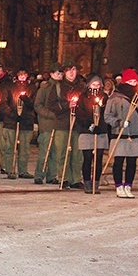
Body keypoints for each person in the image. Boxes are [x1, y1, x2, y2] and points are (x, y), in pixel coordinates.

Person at [104, 68, 138, 198]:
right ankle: (119, 186)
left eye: (134, 81)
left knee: (132, 162)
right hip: (120, 134)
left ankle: (128, 185)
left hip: (135, 135)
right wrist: (119, 122)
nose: (133, 84)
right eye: (130, 81)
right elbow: (107, 116)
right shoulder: (116, 98)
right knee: (119, 161)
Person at [48, 59, 85, 189]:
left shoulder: (82, 87)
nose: (71, 73)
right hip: (62, 123)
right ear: (64, 72)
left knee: (77, 153)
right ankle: (63, 176)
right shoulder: (57, 87)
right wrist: (66, 105)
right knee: (62, 152)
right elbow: (51, 105)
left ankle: (76, 178)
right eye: (68, 70)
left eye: (73, 70)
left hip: (77, 124)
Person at [0, 69, 37, 179]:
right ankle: (9, 169)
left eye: (24, 74)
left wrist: (26, 99)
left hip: (26, 121)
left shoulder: (32, 88)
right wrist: (12, 114)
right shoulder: (9, 87)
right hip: (11, 121)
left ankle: (23, 170)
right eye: (20, 74)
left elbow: (34, 104)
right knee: (9, 146)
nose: (22, 76)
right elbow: (3, 103)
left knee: (24, 148)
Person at [75, 75, 108, 194]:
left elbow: (106, 113)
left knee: (98, 159)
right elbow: (80, 113)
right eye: (94, 84)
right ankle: (87, 182)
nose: (96, 86)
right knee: (87, 158)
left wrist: (101, 124)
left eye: (98, 84)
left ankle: (96, 183)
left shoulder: (104, 97)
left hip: (101, 131)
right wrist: (90, 124)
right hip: (87, 131)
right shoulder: (83, 97)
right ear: (89, 85)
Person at [33, 63, 64, 184]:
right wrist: (49, 114)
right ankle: (39, 174)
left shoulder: (63, 87)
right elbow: (38, 105)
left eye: (61, 73)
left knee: (56, 152)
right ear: (51, 74)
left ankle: (52, 175)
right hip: (47, 123)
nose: (60, 76)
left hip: (59, 123)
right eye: (57, 73)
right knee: (45, 150)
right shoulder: (45, 88)